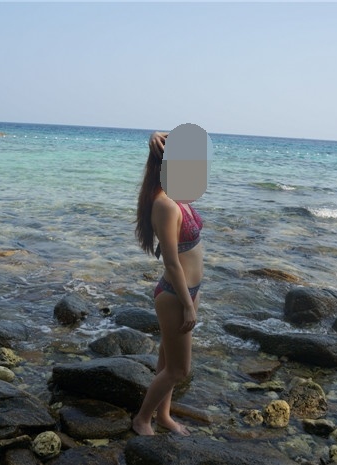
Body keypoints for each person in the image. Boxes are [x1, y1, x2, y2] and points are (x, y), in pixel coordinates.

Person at [132, 129, 207, 436]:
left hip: (189, 291)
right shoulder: (164, 204)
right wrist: (188, 305)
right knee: (179, 369)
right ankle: (142, 419)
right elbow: (172, 262)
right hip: (176, 294)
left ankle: (163, 416)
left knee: (168, 360)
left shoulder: (178, 195)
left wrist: (156, 136)